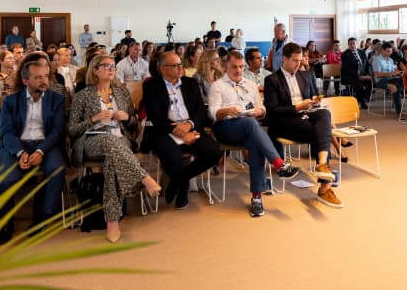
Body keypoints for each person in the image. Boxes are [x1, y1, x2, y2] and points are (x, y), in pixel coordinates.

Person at [69, 55, 160, 242]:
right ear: (95, 70)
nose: (111, 69)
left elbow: (135, 125)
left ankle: (112, 221)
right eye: (106, 66)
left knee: (113, 155)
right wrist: (92, 119)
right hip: (92, 141)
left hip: (121, 139)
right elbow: (71, 130)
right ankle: (143, 177)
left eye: (112, 66)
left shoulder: (121, 93)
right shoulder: (82, 96)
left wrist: (127, 117)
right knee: (110, 142)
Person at [208, 51, 300, 217]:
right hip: (226, 128)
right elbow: (212, 113)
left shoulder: (250, 84)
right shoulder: (218, 86)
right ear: (226, 66)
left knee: (255, 141)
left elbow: (262, 108)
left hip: (249, 127)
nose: (238, 70)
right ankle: (279, 164)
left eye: (241, 67)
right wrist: (227, 110)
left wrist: (260, 111)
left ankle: (257, 198)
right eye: (234, 67)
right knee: (251, 125)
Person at [0, 57, 66, 241]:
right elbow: (6, 132)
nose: (44, 81)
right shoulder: (10, 101)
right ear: (25, 81)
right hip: (17, 144)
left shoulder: (56, 99)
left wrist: (40, 151)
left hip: (46, 144)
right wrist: (21, 153)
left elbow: (57, 131)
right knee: (7, 176)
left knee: (56, 169)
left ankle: (43, 217)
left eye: (46, 76)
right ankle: (5, 219)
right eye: (38, 78)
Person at [263, 43, 343, 208]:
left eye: (300, 60)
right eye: (295, 60)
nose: (298, 64)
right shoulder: (272, 79)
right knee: (322, 132)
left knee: (324, 114)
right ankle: (324, 188)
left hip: (306, 115)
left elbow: (311, 97)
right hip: (284, 121)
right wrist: (297, 107)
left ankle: (321, 164)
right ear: (284, 59)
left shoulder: (305, 75)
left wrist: (314, 102)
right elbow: (272, 111)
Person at [141, 52, 223, 211]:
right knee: (172, 157)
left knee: (214, 152)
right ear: (163, 69)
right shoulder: (151, 86)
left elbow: (200, 110)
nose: (180, 68)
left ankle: (179, 180)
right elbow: (155, 116)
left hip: (191, 127)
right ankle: (183, 186)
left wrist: (189, 125)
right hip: (163, 130)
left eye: (180, 64)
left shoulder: (190, 83)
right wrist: (181, 132)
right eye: (176, 65)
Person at [371, 42, 404, 115]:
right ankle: (399, 111)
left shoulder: (390, 60)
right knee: (395, 86)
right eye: (388, 51)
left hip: (391, 79)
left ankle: (399, 110)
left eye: (390, 51)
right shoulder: (377, 60)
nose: (389, 53)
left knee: (399, 82)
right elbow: (377, 74)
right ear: (382, 50)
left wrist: (397, 72)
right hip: (380, 81)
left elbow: (393, 72)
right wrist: (391, 73)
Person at [341, 38, 371, 108]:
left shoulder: (362, 52)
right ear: (348, 45)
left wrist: (367, 75)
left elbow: (367, 64)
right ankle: (362, 101)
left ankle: (362, 98)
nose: (352, 45)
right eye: (350, 44)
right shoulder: (345, 54)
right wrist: (358, 76)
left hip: (363, 74)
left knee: (371, 82)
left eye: (353, 43)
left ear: (356, 44)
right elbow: (347, 69)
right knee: (358, 84)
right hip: (351, 76)